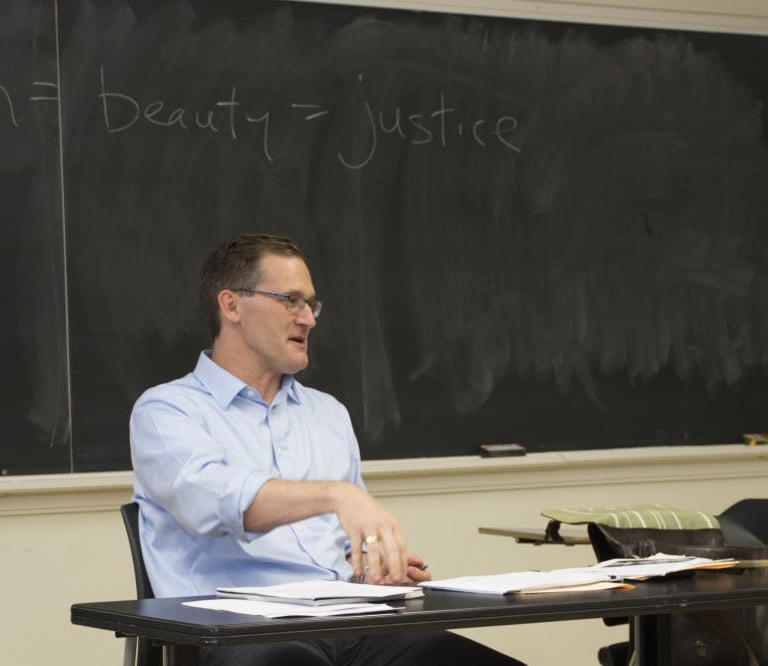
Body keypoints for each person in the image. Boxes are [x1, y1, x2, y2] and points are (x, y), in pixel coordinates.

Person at [130, 233, 524, 665]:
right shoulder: (166, 411)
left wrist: (378, 571)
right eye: (290, 300)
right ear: (232, 305)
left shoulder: (328, 414)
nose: (308, 319)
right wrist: (338, 495)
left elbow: (349, 545)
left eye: (310, 304)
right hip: (238, 635)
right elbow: (213, 501)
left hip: (351, 623)